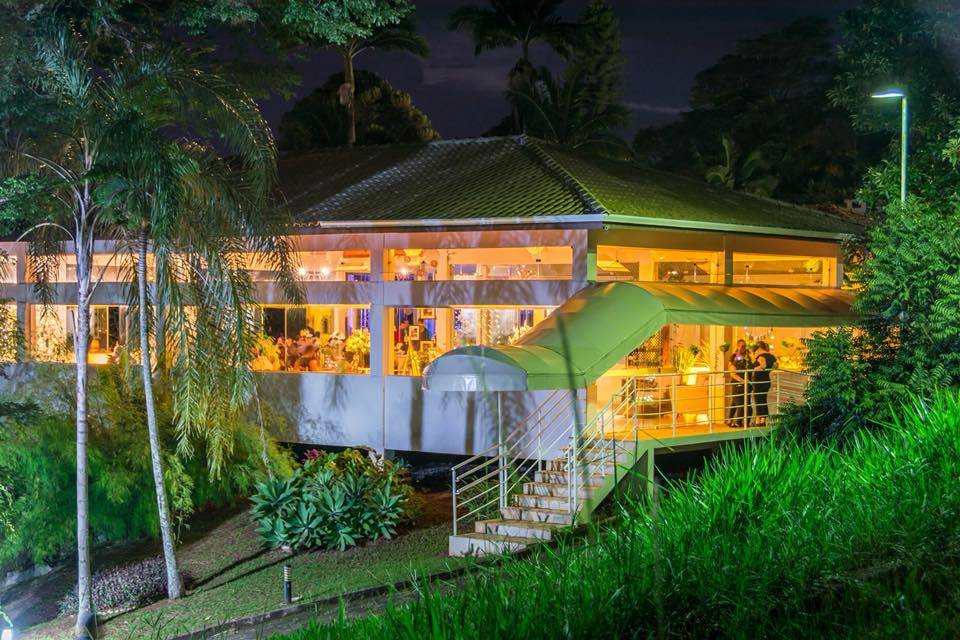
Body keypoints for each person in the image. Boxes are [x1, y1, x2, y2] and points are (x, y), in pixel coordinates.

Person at [726, 340, 752, 428]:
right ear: (737, 346)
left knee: (737, 401)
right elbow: (731, 369)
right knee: (737, 401)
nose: (742, 347)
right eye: (741, 346)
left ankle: (734, 420)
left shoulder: (747, 356)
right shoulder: (735, 356)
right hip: (738, 381)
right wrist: (741, 380)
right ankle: (735, 421)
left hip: (745, 381)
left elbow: (749, 366)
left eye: (744, 346)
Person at [751, 341, 778, 426]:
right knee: (763, 400)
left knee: (758, 400)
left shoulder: (761, 356)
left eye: (756, 350)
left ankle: (760, 421)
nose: (755, 352)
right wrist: (768, 370)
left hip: (759, 381)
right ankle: (761, 419)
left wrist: (755, 368)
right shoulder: (772, 356)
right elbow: (776, 366)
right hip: (766, 380)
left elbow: (763, 365)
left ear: (759, 348)